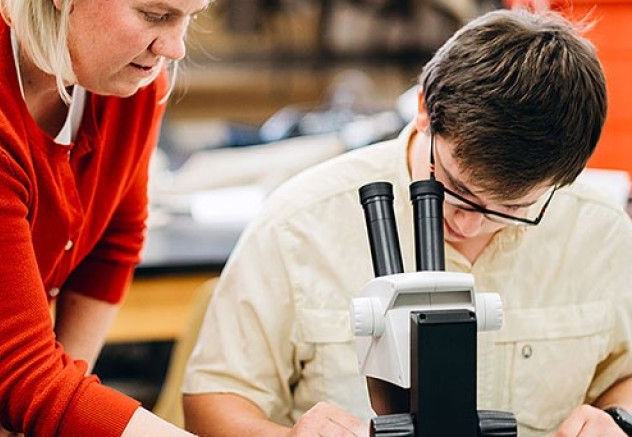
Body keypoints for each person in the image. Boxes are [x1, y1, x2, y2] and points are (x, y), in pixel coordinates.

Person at [182, 8, 632, 437]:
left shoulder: (600, 230)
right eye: (457, 190)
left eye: (510, 209)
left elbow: (625, 374)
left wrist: (616, 417)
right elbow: (213, 400)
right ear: (423, 108)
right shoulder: (299, 223)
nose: (470, 225)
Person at [0, 0, 209, 435]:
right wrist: (43, 396)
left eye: (191, 16)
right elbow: (22, 375)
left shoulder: (123, 69)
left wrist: (49, 401)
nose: (175, 48)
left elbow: (114, 238)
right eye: (155, 15)